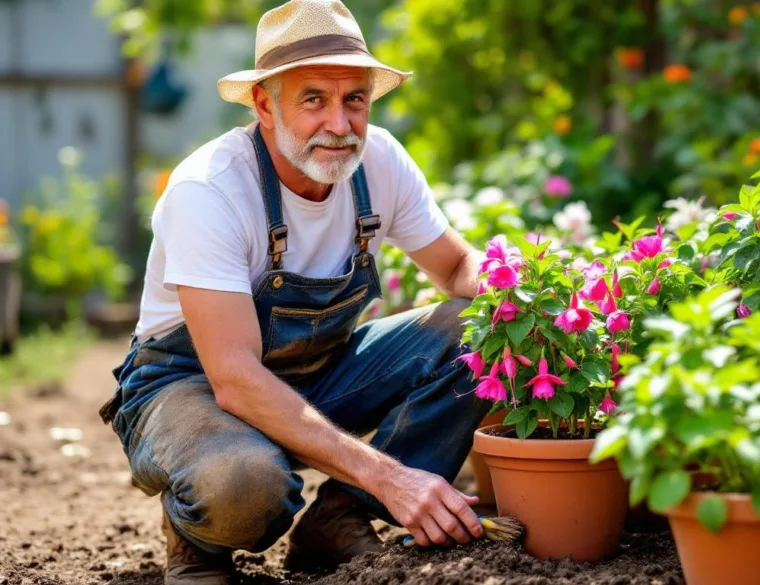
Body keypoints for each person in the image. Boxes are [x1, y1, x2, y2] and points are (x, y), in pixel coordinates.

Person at [98, 1, 491, 583]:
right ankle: (196, 541)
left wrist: (523, 288)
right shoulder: (210, 191)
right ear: (264, 102)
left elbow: (457, 265)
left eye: (353, 98)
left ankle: (338, 518)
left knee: (475, 328)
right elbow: (233, 376)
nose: (340, 124)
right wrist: (387, 472)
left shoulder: (379, 160)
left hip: (314, 372)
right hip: (192, 386)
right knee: (244, 486)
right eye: (314, 99)